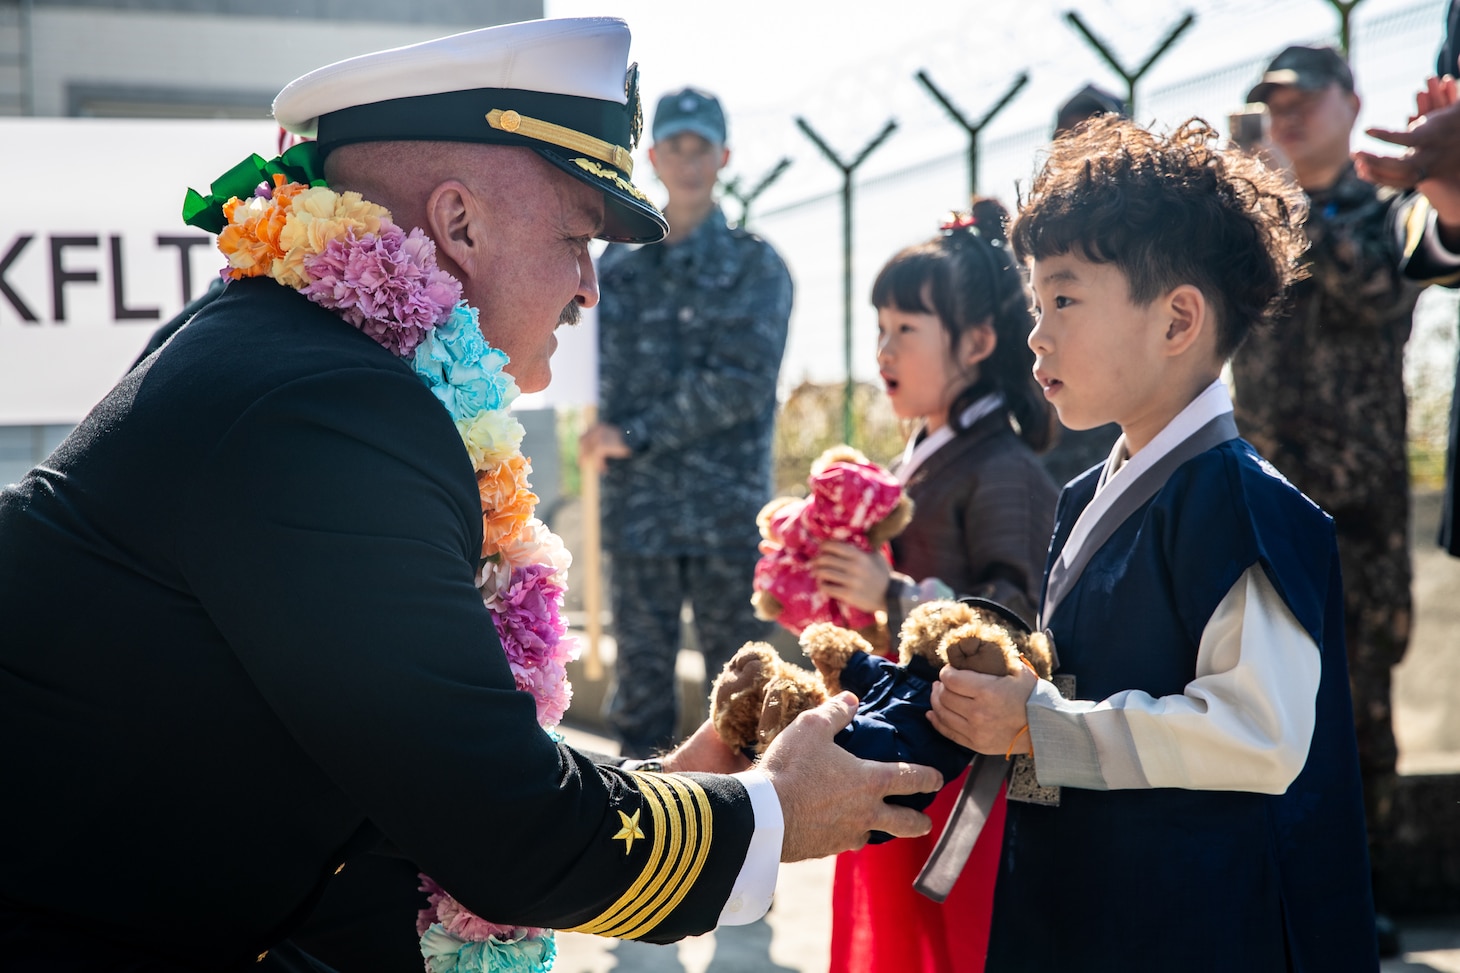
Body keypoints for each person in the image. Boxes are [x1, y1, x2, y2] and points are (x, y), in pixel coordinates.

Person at [0, 20, 943, 973]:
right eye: (577, 237)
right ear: (457, 224)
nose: (591, 288)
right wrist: (771, 812)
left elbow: (412, 789)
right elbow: (502, 833)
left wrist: (667, 791)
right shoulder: (331, 412)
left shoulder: (290, 356)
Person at [929, 115, 1376, 970]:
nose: (1037, 332)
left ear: (1177, 320)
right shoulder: (1084, 495)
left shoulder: (1241, 503)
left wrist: (1040, 723)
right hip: (1095, 906)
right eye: (1035, 302)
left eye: (1064, 297)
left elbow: (1258, 733)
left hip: (1197, 926)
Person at [1229, 47, 1460, 918]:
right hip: (1260, 503)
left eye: (1300, 100)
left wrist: (1297, 201)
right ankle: (1277, 897)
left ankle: (1356, 900)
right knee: (1261, 700)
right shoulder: (1255, 219)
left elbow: (1381, 292)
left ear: (1349, 102)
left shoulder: (1387, 204)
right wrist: (1258, 203)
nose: (1283, 117)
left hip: (1356, 513)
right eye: (1269, 105)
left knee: (1358, 713)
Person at [811, 198, 1059, 973]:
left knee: (957, 947)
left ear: (979, 341)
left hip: (967, 779)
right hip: (907, 747)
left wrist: (891, 595)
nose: (884, 348)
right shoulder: (924, 456)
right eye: (880, 327)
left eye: (906, 329)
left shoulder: (1005, 468)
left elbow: (1016, 618)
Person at [578, 86, 792, 759]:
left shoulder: (758, 267)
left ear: (723, 156)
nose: (689, 160)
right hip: (639, 517)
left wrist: (633, 435)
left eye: (702, 146)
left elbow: (742, 383)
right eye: (676, 146)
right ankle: (640, 847)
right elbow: (588, 374)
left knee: (740, 693)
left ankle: (744, 847)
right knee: (641, 697)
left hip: (724, 519)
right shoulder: (618, 268)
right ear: (654, 156)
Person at [1355, 22, 1460, 558]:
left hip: (1362, 507)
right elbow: (1427, 223)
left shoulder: (1360, 206)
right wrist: (1453, 206)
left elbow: (1378, 288)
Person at [1038, 85, 1126, 487]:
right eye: (1068, 138)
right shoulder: (1036, 245)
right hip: (1055, 469)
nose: (1081, 149)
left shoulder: (1144, 245)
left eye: (1096, 133)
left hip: (1126, 454)